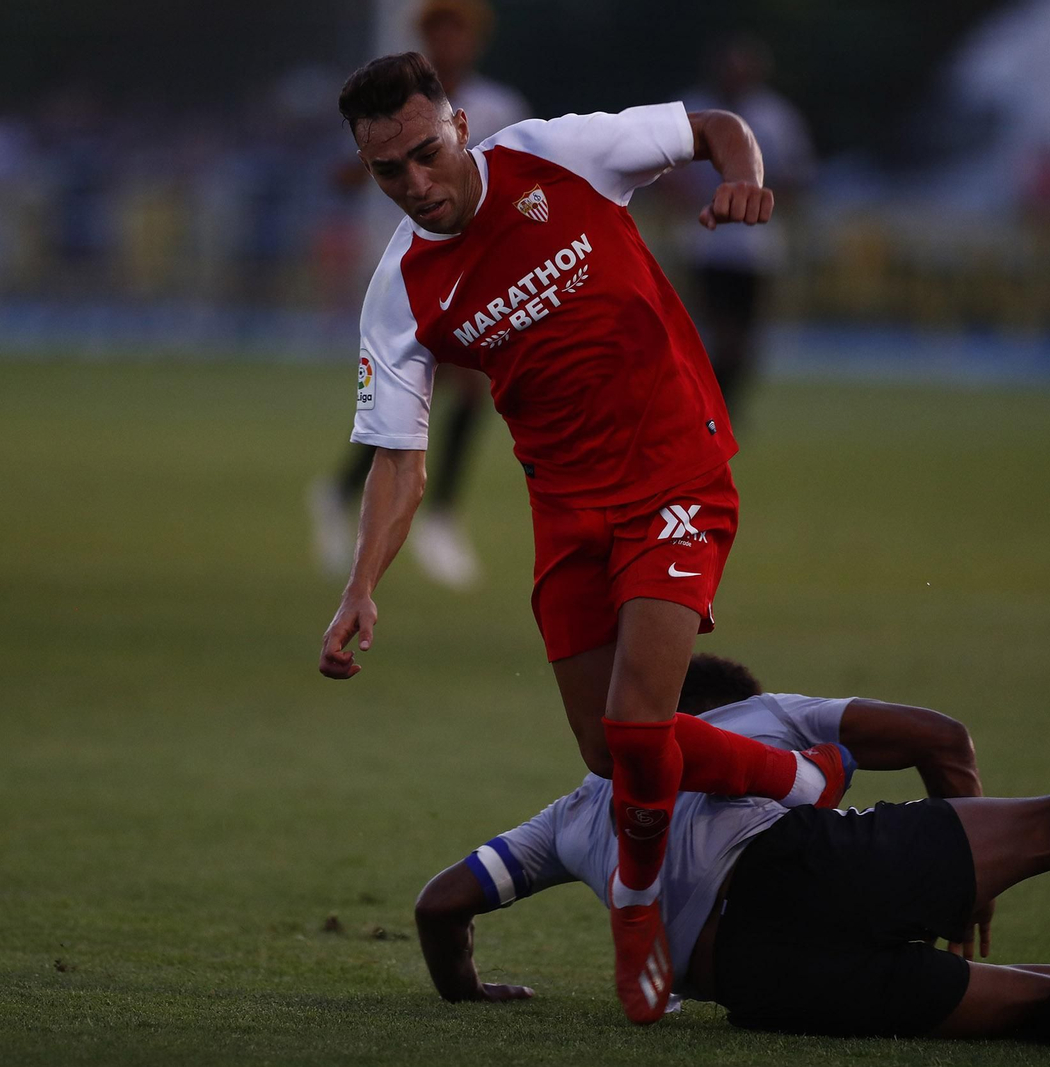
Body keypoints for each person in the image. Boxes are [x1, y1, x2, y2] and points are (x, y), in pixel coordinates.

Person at [316, 52, 851, 1024]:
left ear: (462, 126)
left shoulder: (557, 154)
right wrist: (361, 584)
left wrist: (743, 177)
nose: (415, 183)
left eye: (425, 153)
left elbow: (714, 124)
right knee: (611, 754)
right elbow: (400, 460)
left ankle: (638, 917)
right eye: (387, 171)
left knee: (641, 725)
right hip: (565, 509)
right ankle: (801, 773)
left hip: (675, 473)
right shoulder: (399, 290)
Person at [412, 653, 1050, 1056]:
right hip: (803, 861)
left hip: (753, 979)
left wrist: (467, 988)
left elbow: (440, 904)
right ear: (728, 704)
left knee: (1022, 997)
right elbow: (943, 740)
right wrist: (971, 875)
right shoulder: (767, 713)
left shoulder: (569, 813)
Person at [310, 0, 531, 590]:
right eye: (438, 30)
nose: (449, 42)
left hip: (475, 265)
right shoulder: (388, 106)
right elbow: (342, 174)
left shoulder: (498, 106)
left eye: (457, 31)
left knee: (431, 397)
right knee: (444, 392)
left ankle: (348, 497)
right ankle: (437, 519)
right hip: (403, 265)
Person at [671, 36, 815, 426]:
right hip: (704, 239)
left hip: (754, 243)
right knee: (709, 328)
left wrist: (758, 195)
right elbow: (662, 171)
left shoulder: (775, 117)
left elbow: (797, 176)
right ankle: (707, 404)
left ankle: (722, 404)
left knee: (743, 336)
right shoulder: (690, 108)